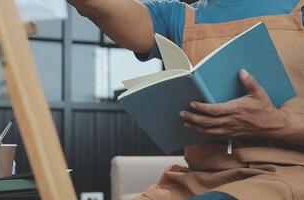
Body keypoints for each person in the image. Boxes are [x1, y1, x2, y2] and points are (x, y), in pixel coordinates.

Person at [69, 0, 304, 199]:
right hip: (195, 181)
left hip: (283, 177)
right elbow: (100, 7)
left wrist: (278, 123)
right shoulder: (179, 16)